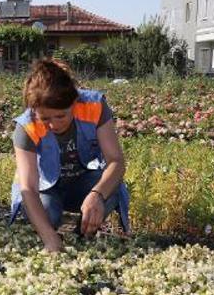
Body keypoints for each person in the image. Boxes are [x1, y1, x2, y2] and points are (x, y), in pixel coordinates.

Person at [9, 59, 130, 252]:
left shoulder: (94, 107)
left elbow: (116, 162)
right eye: (45, 118)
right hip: (44, 187)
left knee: (111, 189)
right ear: (35, 111)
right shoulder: (26, 126)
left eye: (61, 116)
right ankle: (48, 232)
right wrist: (50, 239)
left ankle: (83, 233)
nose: (54, 124)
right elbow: (28, 188)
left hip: (80, 182)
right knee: (47, 213)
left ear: (74, 103)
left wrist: (96, 195)